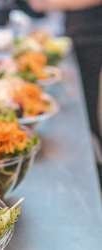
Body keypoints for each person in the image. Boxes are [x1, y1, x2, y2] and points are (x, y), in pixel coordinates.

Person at [29, 0, 102, 178]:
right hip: (79, 36)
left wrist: (49, 3)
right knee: (86, 116)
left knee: (90, 116)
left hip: (93, 38)